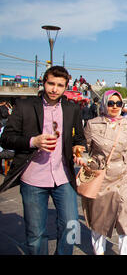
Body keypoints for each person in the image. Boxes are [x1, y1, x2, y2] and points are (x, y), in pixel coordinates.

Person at [0, 66, 86, 255]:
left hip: (63, 176)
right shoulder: (25, 106)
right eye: (51, 84)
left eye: (60, 85)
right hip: (33, 178)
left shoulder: (71, 109)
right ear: (43, 82)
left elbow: (79, 138)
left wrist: (77, 148)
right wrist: (33, 141)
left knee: (72, 226)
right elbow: (6, 138)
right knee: (36, 234)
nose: (54, 89)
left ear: (66, 87)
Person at [81, 90, 127, 255]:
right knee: (99, 220)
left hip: (123, 177)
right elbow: (84, 150)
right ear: (104, 104)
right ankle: (98, 251)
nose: (114, 107)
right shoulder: (92, 124)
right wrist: (83, 161)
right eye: (111, 103)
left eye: (118, 103)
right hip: (101, 177)